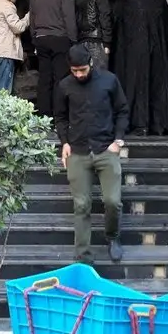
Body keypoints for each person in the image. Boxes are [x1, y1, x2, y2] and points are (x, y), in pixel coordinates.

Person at [54, 44, 128, 264]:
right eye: (74, 71)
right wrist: (64, 142)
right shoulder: (64, 85)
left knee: (113, 201)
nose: (78, 75)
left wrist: (118, 140)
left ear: (91, 64)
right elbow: (60, 117)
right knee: (81, 205)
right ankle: (83, 254)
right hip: (77, 150)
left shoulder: (109, 80)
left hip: (106, 148)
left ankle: (113, 237)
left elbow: (122, 110)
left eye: (82, 70)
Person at [114, 0, 168, 135]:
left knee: (136, 86)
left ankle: (139, 122)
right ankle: (159, 124)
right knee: (159, 88)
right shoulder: (162, 3)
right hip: (160, 56)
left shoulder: (131, 3)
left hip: (134, 55)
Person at [29, 0, 77, 117]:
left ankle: (44, 115)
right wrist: (73, 40)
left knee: (44, 78)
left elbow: (32, 19)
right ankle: (59, 115)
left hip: (41, 39)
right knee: (60, 78)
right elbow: (69, 17)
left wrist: (34, 39)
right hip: (60, 39)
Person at [74, 0, 113, 71]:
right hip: (98, 40)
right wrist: (107, 42)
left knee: (83, 73)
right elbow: (105, 18)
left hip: (81, 41)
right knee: (100, 74)